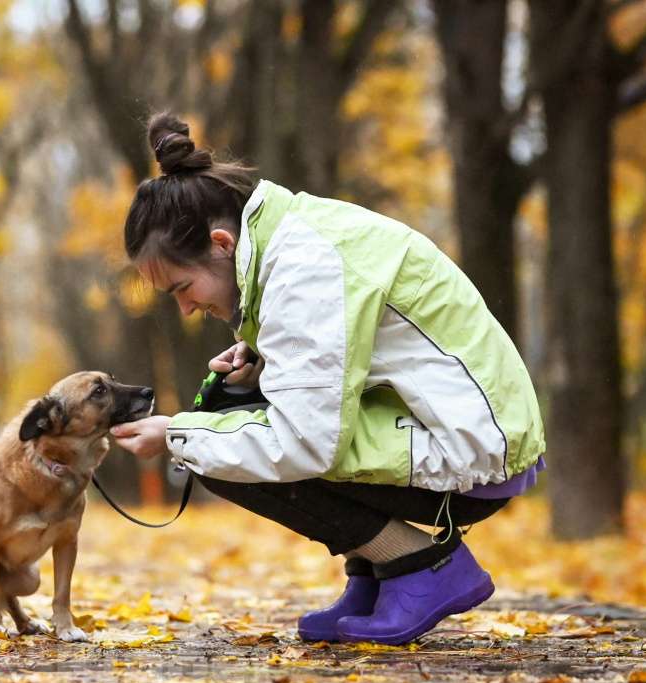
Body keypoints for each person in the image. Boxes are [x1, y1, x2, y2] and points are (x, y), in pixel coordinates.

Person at [109, 112, 546, 645]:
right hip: (457, 428)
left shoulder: (304, 268)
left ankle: (420, 567)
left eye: (182, 287)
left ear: (222, 244)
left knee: (213, 447)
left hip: (471, 455)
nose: (185, 307)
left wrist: (177, 433)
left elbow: (306, 443)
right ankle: (376, 576)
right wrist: (260, 369)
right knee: (223, 422)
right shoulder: (293, 243)